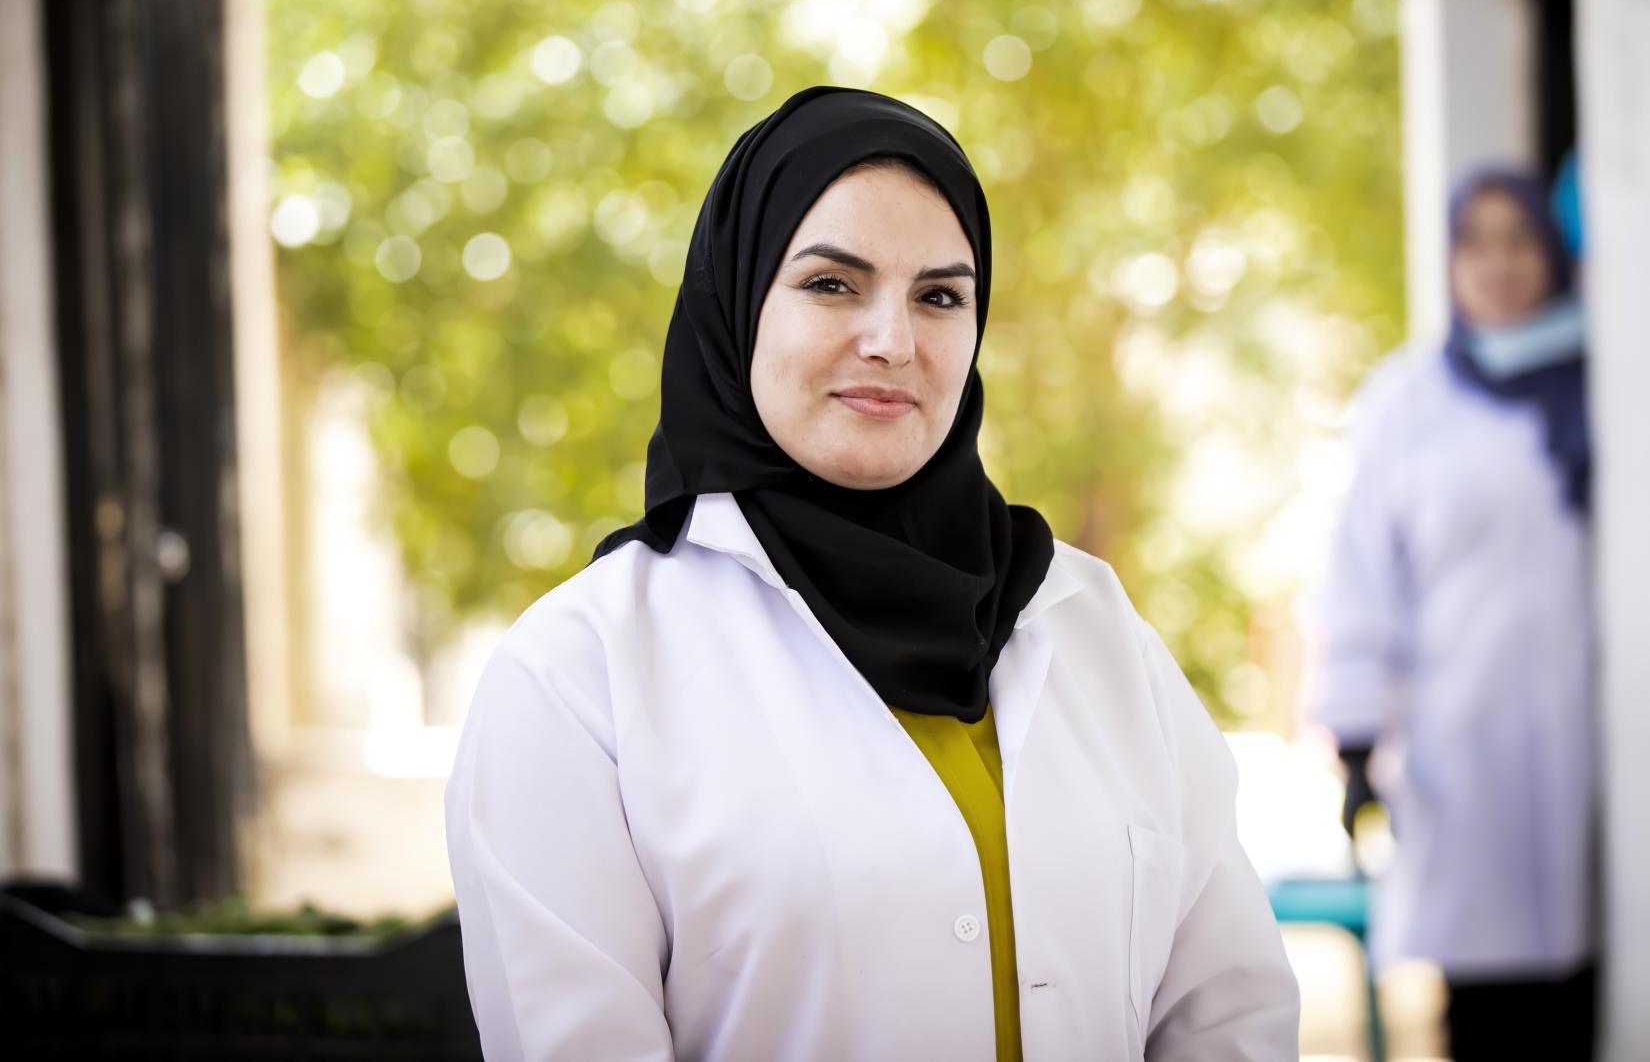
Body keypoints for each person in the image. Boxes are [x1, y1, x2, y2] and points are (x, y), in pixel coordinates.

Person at [444, 86, 1300, 1061]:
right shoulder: (578, 675)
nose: (893, 340)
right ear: (737, 303)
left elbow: (1229, 1016)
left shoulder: (1092, 625)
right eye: (832, 283)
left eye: (940, 294)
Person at [1315, 167, 1595, 1061]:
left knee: (1598, 980)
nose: (1498, 263)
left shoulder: (1608, 383)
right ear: (1450, 262)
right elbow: (1359, 578)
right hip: (1464, 749)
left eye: (1518, 239)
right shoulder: (1407, 400)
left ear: (1551, 252)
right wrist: (1356, 738)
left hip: (1596, 744)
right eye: (1475, 243)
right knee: (1487, 1002)